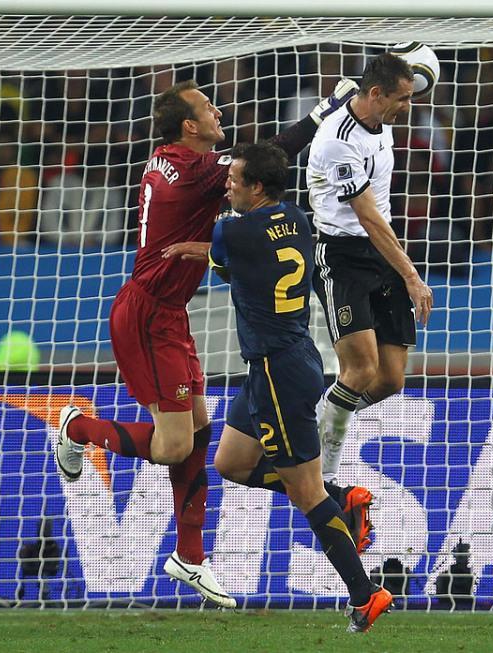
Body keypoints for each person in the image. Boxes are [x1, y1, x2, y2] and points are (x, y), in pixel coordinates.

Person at [54, 77, 358, 608]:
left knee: (197, 430)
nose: (219, 112)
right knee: (173, 445)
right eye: (208, 108)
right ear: (190, 126)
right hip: (149, 314)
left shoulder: (172, 159)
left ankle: (190, 556)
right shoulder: (195, 170)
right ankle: (76, 427)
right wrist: (325, 111)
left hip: (168, 312)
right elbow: (269, 158)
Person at [165, 142, 391, 631]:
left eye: (234, 180)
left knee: (306, 494)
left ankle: (365, 593)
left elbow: (222, 260)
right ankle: (340, 497)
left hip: (277, 372)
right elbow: (239, 259)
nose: (227, 186)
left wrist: (192, 243)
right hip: (286, 359)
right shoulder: (297, 219)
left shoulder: (232, 230)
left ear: (257, 187)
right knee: (230, 462)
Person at [306, 53, 434, 483]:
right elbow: (367, 216)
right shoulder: (336, 140)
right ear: (376, 94)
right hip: (342, 257)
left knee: (390, 380)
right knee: (360, 370)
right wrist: (411, 275)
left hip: (381, 250)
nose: (409, 107)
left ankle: (326, 415)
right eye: (403, 99)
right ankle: (325, 470)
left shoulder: (382, 118)